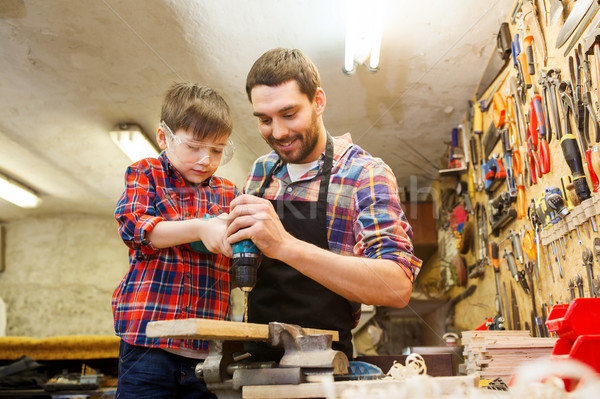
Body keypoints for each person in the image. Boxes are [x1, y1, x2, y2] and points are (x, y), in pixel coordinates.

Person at [226, 48, 422, 360]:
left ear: (318, 101)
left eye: (289, 115)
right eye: (265, 120)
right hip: (257, 360)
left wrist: (284, 246)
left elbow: (397, 286)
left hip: (326, 366)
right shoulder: (261, 172)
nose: (278, 132)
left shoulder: (364, 174)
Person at [112, 82, 238, 398]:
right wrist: (200, 229)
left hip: (206, 350)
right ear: (163, 137)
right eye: (194, 146)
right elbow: (134, 228)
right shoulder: (146, 174)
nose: (206, 159)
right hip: (147, 345)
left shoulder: (228, 192)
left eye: (217, 150)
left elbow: (241, 261)